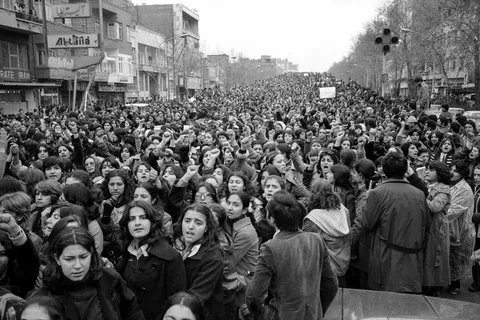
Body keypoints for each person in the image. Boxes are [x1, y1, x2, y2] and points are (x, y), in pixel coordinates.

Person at [246, 190, 338, 320]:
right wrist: (316, 311)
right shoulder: (316, 240)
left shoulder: (271, 248)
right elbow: (331, 285)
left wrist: (264, 314)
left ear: (271, 219)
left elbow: (254, 296)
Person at [29, 226, 146, 320]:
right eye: (69, 259)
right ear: (57, 259)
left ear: (91, 254)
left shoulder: (110, 279)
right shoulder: (45, 296)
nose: (78, 266)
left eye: (83, 257)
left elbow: (133, 312)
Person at [354, 152, 429, 293]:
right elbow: (427, 225)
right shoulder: (419, 194)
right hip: (414, 257)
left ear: (384, 170)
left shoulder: (377, 193)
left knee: (383, 304)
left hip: (386, 257)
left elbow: (367, 224)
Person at [116, 201, 186, 320]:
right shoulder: (125, 253)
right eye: (132, 219)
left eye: (143, 218)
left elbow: (177, 301)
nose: (137, 223)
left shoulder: (170, 257)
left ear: (152, 222)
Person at [173, 204, 224, 320]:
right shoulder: (173, 245)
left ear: (206, 228)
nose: (191, 227)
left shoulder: (212, 257)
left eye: (198, 223)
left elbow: (197, 296)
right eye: (187, 221)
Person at [304, 179, 351, 287]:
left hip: (323, 273)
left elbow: (307, 249)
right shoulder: (343, 210)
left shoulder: (312, 219)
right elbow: (349, 238)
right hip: (343, 266)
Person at [423, 161, 451, 297]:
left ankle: (434, 286)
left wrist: (419, 196)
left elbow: (435, 207)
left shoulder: (444, 189)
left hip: (437, 228)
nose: (427, 171)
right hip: (429, 226)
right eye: (427, 169)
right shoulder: (429, 186)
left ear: (440, 173)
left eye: (431, 169)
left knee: (435, 258)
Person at [447, 161, 475, 295]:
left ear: (462, 173)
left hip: (459, 229)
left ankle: (455, 285)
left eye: (456, 171)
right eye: (451, 169)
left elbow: (453, 210)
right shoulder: (451, 184)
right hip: (450, 228)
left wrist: (437, 211)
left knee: (456, 258)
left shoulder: (463, 189)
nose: (452, 172)